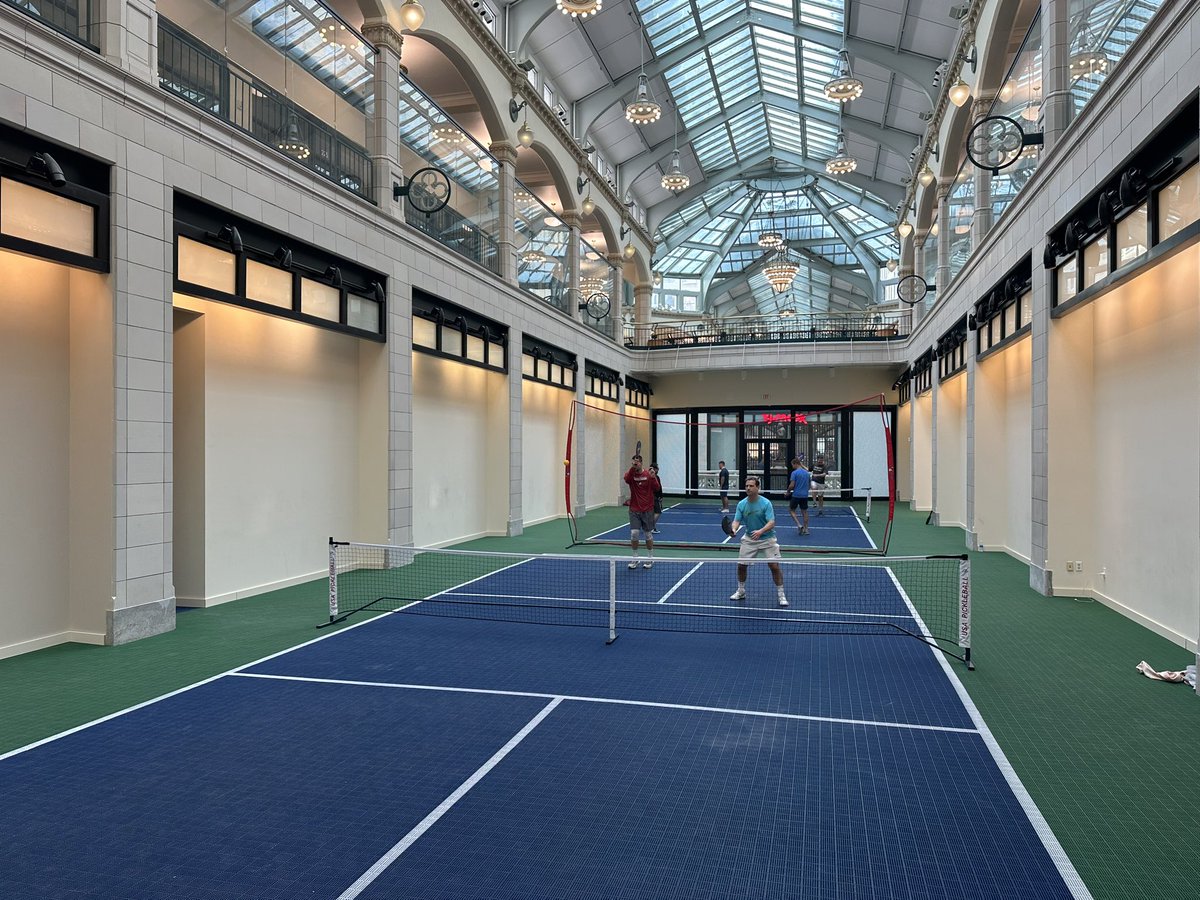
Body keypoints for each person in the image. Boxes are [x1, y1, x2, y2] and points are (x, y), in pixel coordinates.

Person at [728, 476, 788, 607]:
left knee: (774, 566)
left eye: (751, 486)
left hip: (767, 538)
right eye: (746, 486)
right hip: (750, 539)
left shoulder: (766, 503)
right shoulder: (742, 504)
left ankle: (781, 594)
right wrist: (733, 529)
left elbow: (772, 522)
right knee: (741, 566)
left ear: (757, 487)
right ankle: (741, 591)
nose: (748, 488)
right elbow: (737, 521)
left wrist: (761, 531)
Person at [623, 454, 656, 569]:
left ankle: (650, 558)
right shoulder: (631, 475)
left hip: (647, 509)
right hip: (634, 509)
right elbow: (626, 479)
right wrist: (632, 468)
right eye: (633, 463)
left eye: (637, 463)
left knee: (648, 534)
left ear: (641, 463)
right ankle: (635, 558)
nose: (635, 464)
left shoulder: (647, 474)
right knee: (634, 534)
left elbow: (656, 488)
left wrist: (653, 477)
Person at [787, 457, 811, 535]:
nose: (792, 467)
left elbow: (791, 485)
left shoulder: (794, 473)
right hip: (804, 495)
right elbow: (809, 485)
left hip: (796, 495)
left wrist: (788, 492)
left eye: (792, 465)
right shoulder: (807, 473)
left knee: (791, 510)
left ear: (795, 464)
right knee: (804, 512)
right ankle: (806, 529)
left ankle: (799, 524)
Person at [649, 463, 664, 534]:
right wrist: (660, 497)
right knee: (658, 512)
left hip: (653, 497)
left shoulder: (656, 477)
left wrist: (660, 497)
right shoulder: (654, 477)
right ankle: (650, 527)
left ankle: (653, 527)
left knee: (653, 513)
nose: (658, 469)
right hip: (653, 497)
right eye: (657, 468)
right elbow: (658, 488)